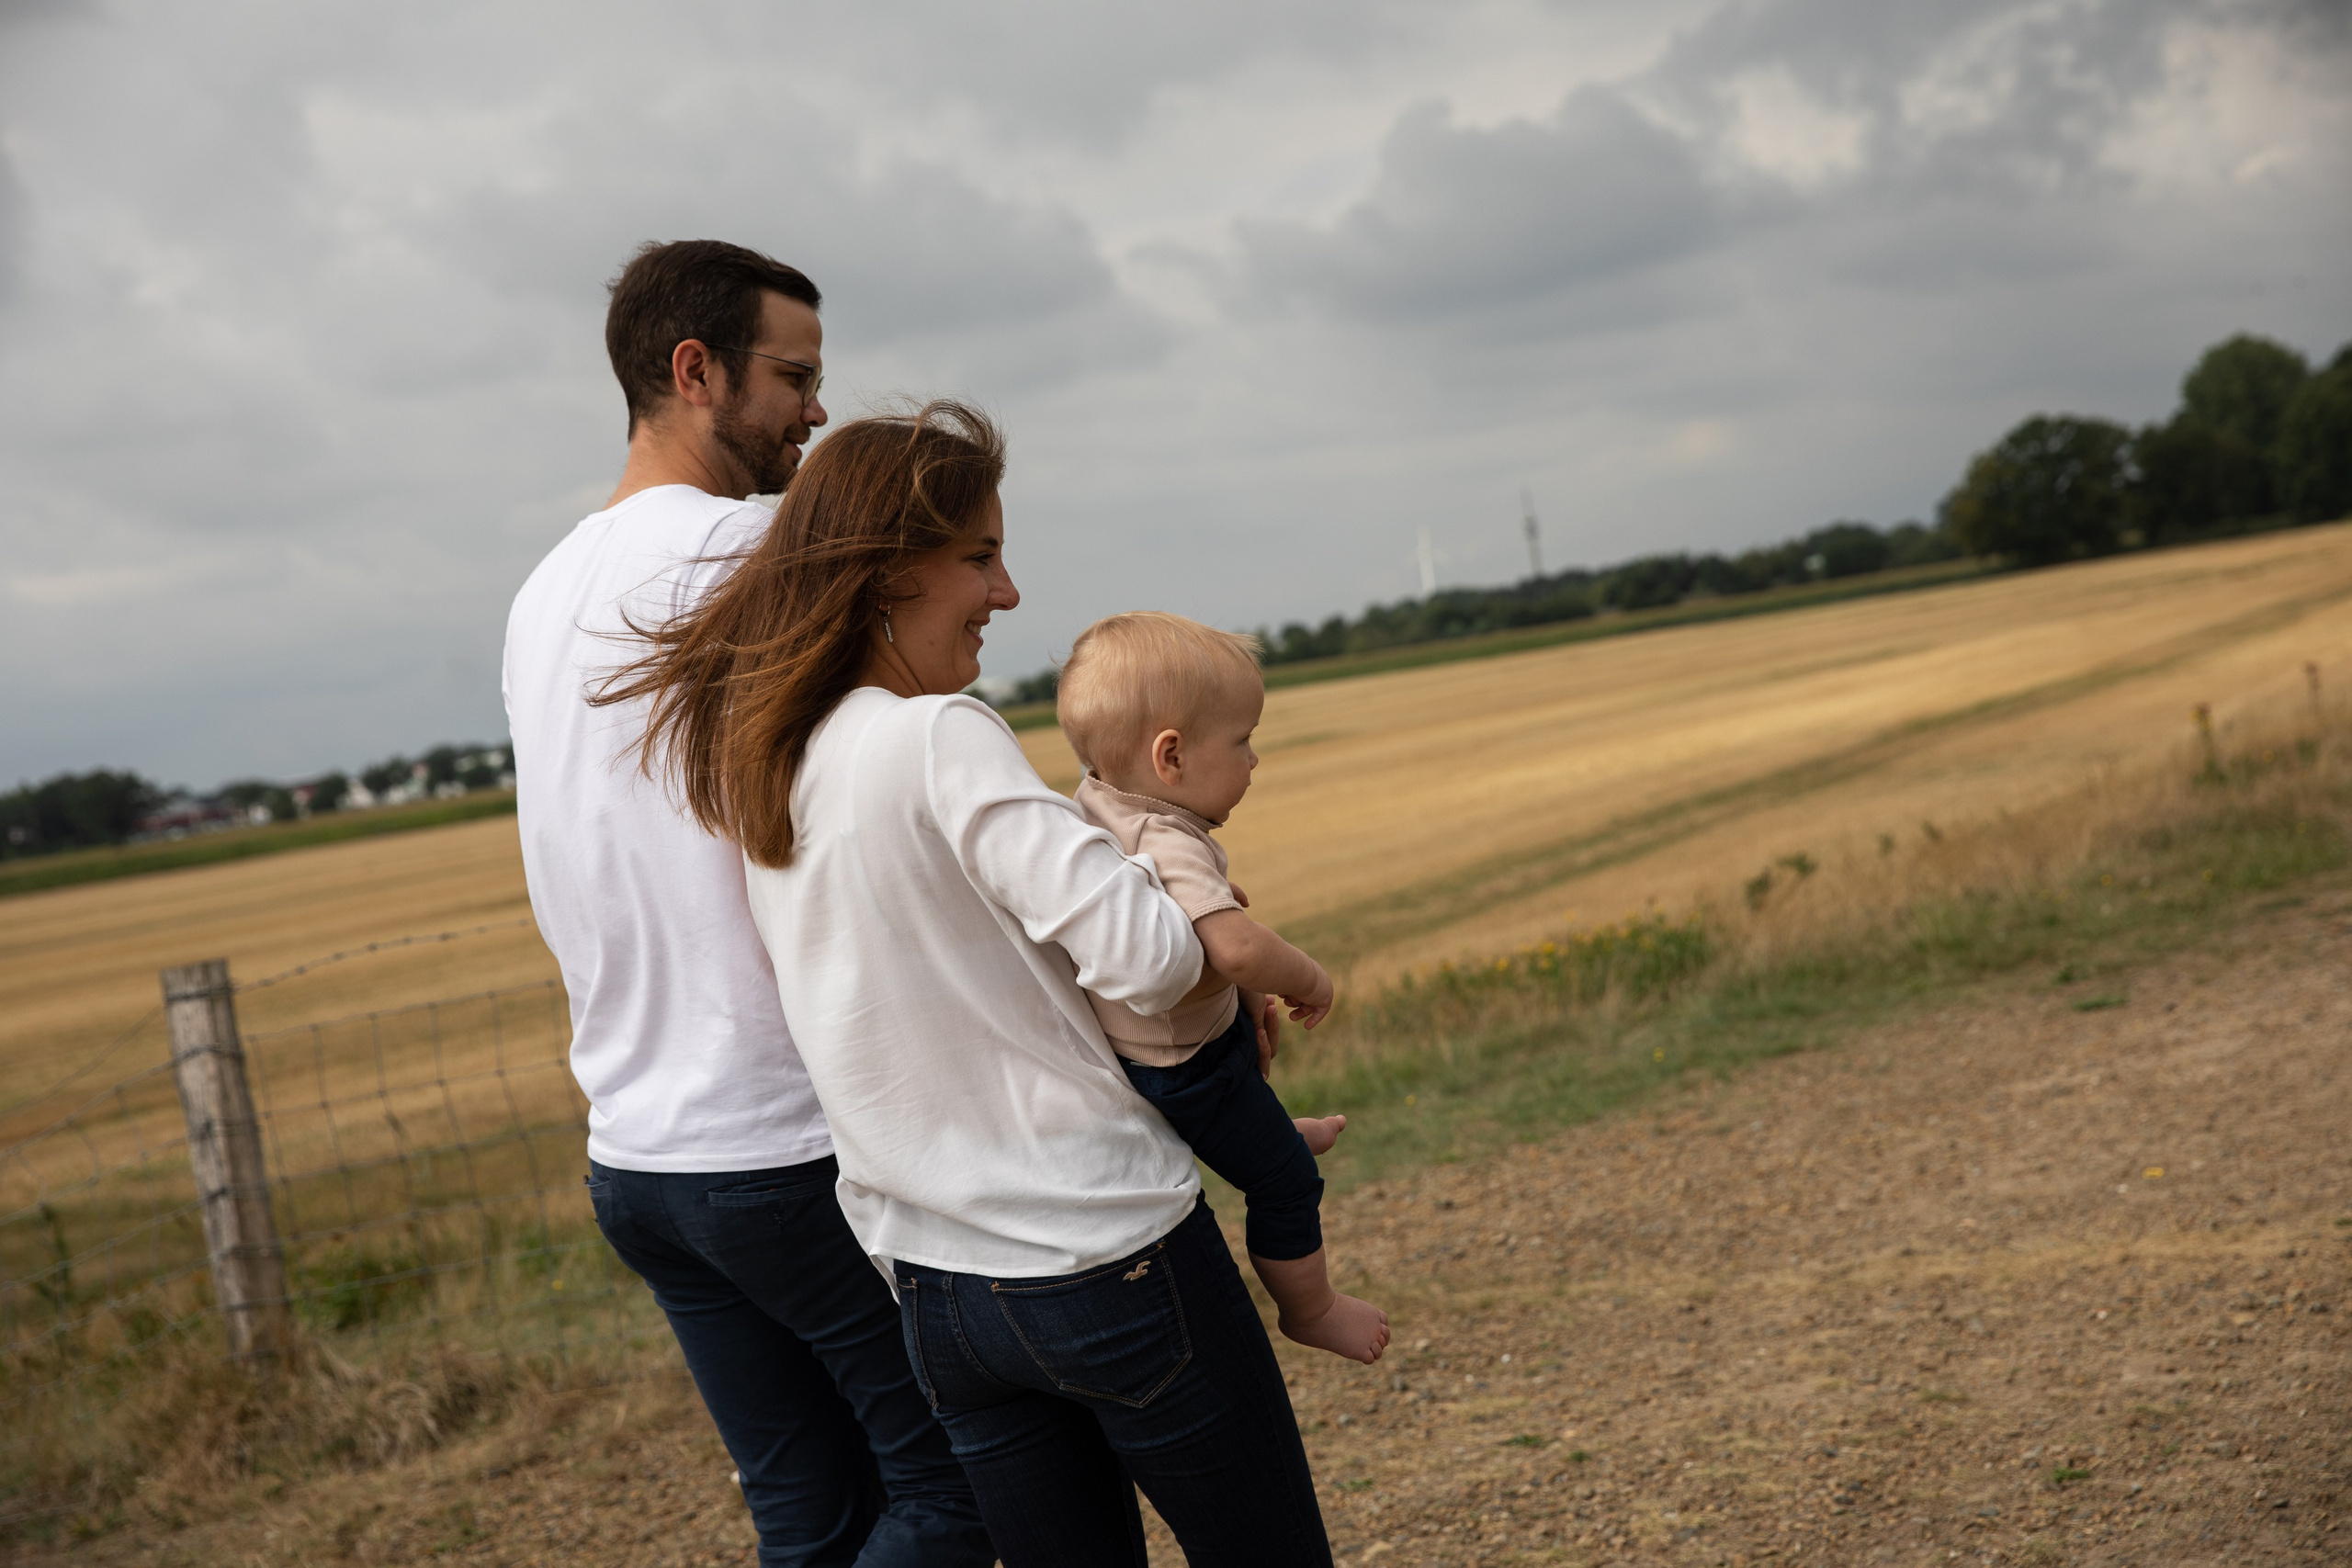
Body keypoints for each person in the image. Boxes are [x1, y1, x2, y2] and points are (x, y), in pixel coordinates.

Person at [597, 401, 1334, 1566]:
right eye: (979, 558)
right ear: (890, 569)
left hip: (939, 1293)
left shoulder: (770, 757)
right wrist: (1177, 899)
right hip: (1107, 1256)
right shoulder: (937, 735)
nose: (1006, 594)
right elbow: (1145, 953)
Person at [503, 240, 991, 1568]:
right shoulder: (762, 550)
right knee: (964, 1494)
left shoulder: (541, 591)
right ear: (694, 370)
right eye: (795, 376)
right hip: (779, 1138)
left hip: (639, 1155)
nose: (819, 410)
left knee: (811, 1520)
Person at [1055, 611, 1389, 1364]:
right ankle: (1311, 1307)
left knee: (1242, 1037)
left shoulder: (1094, 804)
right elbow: (1235, 949)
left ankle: (1263, 1125)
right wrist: (1308, 975)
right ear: (1169, 756)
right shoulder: (1167, 838)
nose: (1254, 758)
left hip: (1150, 1046)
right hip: (1184, 1066)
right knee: (1287, 1183)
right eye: (1241, 741)